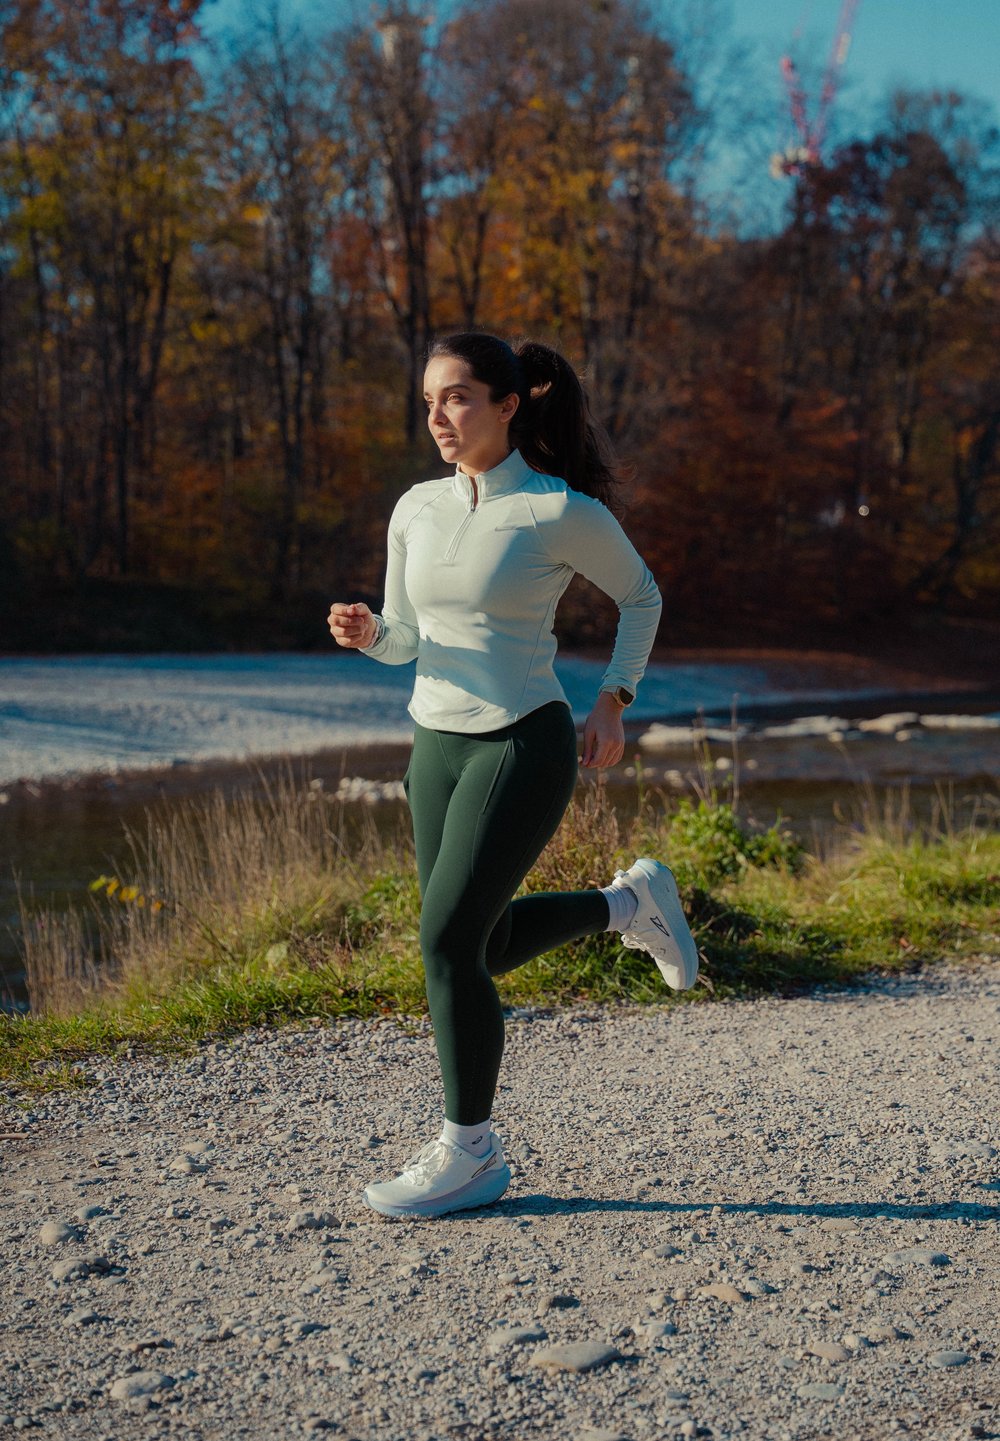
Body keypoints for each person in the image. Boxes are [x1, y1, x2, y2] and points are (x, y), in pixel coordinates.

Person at [328, 331, 698, 1219]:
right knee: (480, 944)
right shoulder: (416, 507)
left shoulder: (557, 511)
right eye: (427, 402)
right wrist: (373, 635)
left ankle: (472, 1152)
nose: (438, 417)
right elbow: (412, 637)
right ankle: (627, 906)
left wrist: (613, 699)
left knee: (447, 943)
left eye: (456, 397)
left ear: (508, 403)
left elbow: (640, 595)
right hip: (436, 747)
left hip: (520, 742)